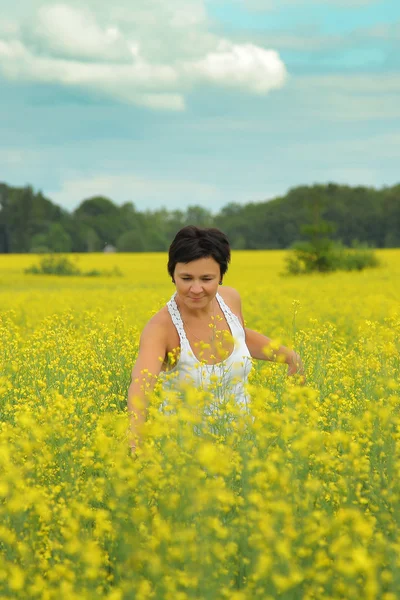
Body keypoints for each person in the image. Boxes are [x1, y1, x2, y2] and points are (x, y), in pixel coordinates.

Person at [127, 226, 304, 453]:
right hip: (184, 454)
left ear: (221, 276)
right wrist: (135, 440)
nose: (196, 288)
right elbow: (141, 386)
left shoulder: (230, 299)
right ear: (172, 275)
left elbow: (242, 336)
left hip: (242, 448)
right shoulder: (160, 328)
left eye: (207, 278)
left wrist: (289, 356)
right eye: (186, 278)